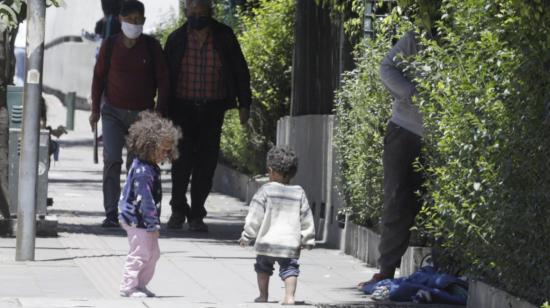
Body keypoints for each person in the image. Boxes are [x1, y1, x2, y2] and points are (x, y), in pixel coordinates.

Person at [163, 0, 252, 232]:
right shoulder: (176, 39)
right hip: (182, 109)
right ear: (187, 11)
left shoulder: (224, 36)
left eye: (202, 11)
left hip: (212, 110)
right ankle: (178, 209)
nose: (197, 15)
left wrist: (245, 104)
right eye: (193, 11)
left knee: (206, 163)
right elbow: (164, 78)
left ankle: (197, 214)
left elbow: (240, 70)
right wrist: (161, 110)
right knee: (180, 162)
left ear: (210, 12)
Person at [89, 0, 170, 228]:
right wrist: (95, 109)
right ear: (120, 20)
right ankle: (111, 212)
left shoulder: (152, 47)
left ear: (144, 21)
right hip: (113, 112)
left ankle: (134, 210)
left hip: (142, 116)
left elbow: (163, 81)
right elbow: (98, 78)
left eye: (138, 20)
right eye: (130, 20)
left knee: (137, 165)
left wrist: (159, 113)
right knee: (112, 159)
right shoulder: (110, 45)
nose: (134, 24)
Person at [239, 146, 315, 305]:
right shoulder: (298, 192)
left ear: (271, 171)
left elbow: (255, 215)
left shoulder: (265, 190)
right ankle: (289, 297)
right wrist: (307, 239)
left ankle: (263, 295)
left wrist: (247, 235)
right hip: (289, 243)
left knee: (262, 268)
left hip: (266, 242)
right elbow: (306, 217)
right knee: (290, 269)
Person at [118, 111, 181, 298]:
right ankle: (128, 286)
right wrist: (152, 223)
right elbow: (145, 199)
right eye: (161, 150)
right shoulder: (144, 171)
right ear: (148, 146)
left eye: (167, 151)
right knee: (141, 253)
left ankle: (140, 284)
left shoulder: (150, 166)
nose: (164, 155)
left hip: (142, 219)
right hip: (136, 219)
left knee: (153, 254)